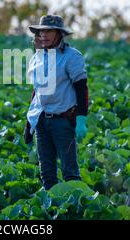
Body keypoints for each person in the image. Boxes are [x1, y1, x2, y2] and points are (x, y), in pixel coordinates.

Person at [24, 14, 89, 190]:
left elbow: (81, 87)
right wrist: (28, 123)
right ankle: (52, 211)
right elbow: (37, 91)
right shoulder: (36, 57)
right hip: (41, 121)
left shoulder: (71, 56)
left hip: (63, 120)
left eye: (49, 31)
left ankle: (75, 210)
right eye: (41, 31)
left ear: (59, 33)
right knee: (47, 172)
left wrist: (81, 119)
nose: (43, 35)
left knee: (70, 172)